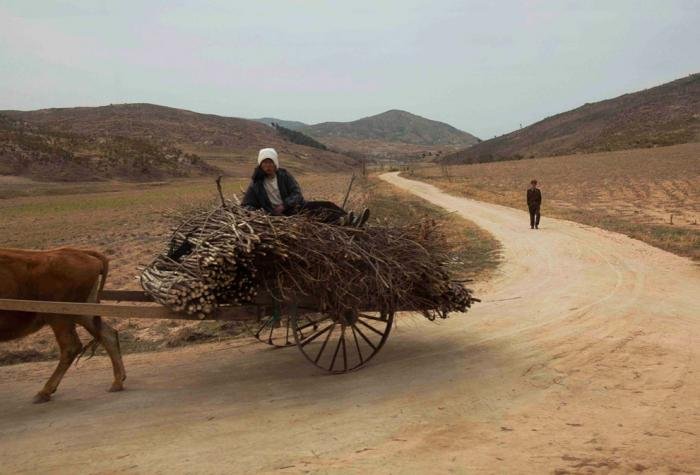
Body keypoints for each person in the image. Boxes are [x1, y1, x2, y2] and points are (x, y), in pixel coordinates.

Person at [242, 148, 369, 226]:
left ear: (276, 164)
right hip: (275, 216)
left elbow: (297, 194)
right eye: (265, 163)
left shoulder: (284, 176)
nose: (268, 166)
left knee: (327, 206)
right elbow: (247, 205)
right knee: (315, 220)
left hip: (293, 208)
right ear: (260, 165)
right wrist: (265, 212)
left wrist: (284, 205)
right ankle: (342, 222)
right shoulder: (256, 183)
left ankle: (353, 220)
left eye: (270, 162)